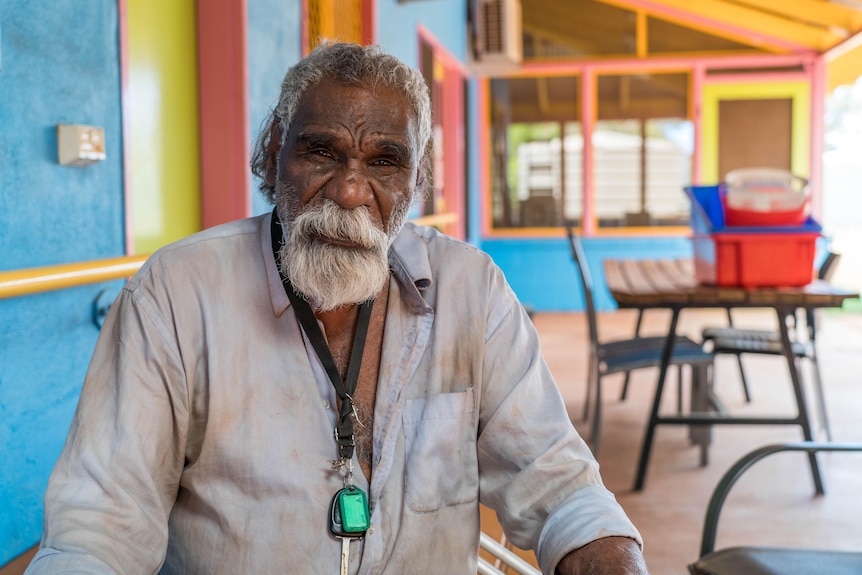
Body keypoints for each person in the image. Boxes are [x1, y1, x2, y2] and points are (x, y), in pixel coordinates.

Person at [26, 41, 647, 575]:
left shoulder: (472, 289)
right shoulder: (176, 292)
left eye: (383, 162)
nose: (351, 190)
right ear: (274, 152)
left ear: (417, 179)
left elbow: (559, 488)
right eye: (322, 152)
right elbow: (100, 524)